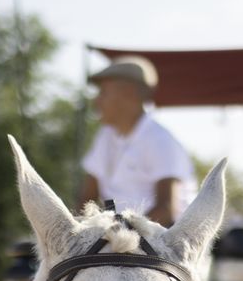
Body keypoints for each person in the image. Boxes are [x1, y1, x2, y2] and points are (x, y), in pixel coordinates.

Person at [79, 55, 196, 224]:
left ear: (128, 92)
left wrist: (118, 235)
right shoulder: (105, 135)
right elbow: (86, 201)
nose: (96, 100)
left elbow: (166, 211)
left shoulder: (160, 140)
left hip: (159, 242)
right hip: (121, 241)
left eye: (103, 92)